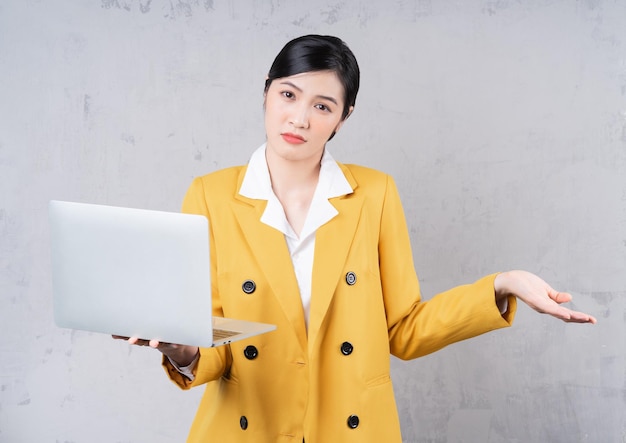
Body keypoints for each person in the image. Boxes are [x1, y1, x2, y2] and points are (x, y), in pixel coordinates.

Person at [116, 34, 596, 443]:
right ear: (265, 93)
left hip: (352, 428)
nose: (299, 118)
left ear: (343, 117)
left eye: (321, 105)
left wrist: (501, 284)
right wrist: (183, 351)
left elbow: (404, 330)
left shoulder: (375, 194)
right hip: (248, 426)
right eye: (288, 95)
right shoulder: (210, 195)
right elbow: (216, 334)